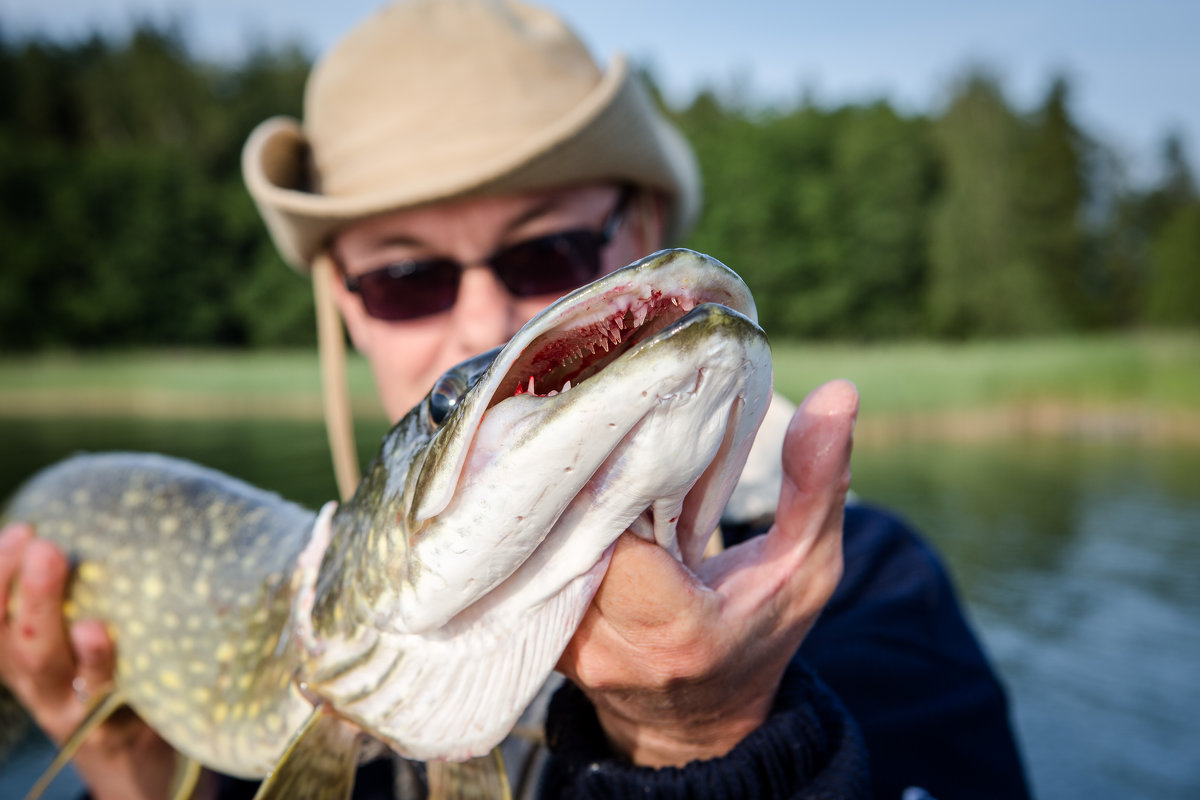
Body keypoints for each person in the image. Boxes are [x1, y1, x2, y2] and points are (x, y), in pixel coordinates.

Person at [0, 1, 1030, 798]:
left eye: (549, 250)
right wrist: (135, 771)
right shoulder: (337, 623)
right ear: (344, 307)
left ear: (638, 239)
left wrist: (712, 742)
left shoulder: (873, 594)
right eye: (408, 276)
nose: (483, 321)